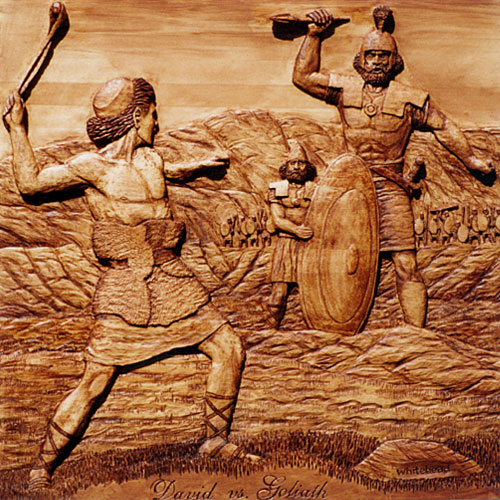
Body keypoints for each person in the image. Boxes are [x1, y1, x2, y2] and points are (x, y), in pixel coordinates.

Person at [3, 77, 260, 490]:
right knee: (95, 380)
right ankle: (41, 467)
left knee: (228, 346)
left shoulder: (150, 159)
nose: (157, 123)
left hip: (173, 278)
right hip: (128, 285)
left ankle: (215, 441)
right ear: (138, 115)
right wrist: (17, 128)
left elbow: (170, 172)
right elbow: (30, 183)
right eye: (154, 115)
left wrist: (199, 166)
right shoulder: (91, 167)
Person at [292, 6, 494, 327]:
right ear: (360, 59)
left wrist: (471, 160)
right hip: (349, 188)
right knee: (336, 259)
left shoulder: (410, 99)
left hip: (391, 187)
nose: (376, 62)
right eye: (370, 55)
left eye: (383, 57)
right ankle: (334, 326)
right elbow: (303, 77)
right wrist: (314, 36)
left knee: (405, 264)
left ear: (394, 62)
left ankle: (416, 334)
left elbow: (443, 126)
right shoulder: (344, 90)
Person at [267, 140, 316, 328]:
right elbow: (277, 220)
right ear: (286, 166)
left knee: (315, 292)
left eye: (301, 163)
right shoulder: (276, 189)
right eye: (293, 163)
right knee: (278, 294)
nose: (296, 167)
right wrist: (296, 230)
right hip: (286, 245)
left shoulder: (316, 190)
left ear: (307, 167)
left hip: (311, 247)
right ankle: (271, 329)